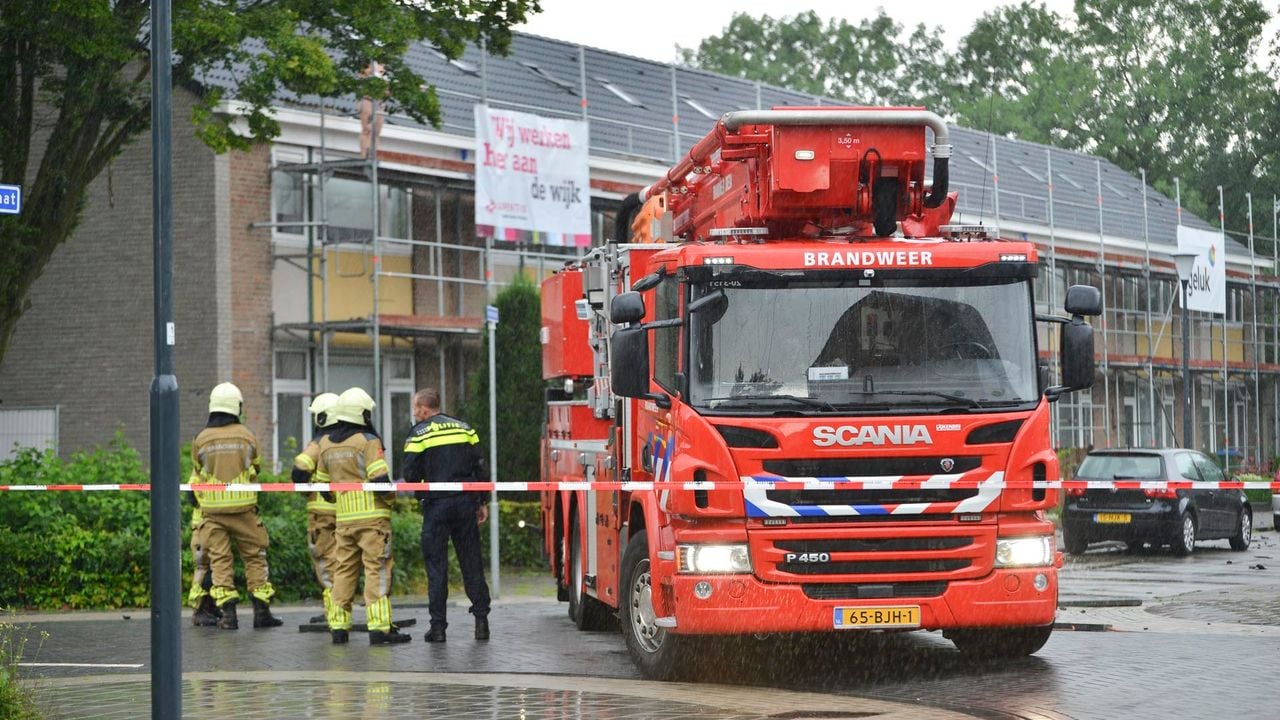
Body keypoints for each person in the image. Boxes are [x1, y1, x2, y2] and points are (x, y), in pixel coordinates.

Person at [317, 387, 411, 645]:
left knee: (343, 571)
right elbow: (380, 478)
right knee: (376, 570)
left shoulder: (325, 444)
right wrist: (391, 500)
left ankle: (338, 627)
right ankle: (379, 629)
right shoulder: (367, 441)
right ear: (362, 413)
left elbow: (323, 488)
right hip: (373, 520)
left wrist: (343, 500)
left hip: (344, 520)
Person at [189, 382, 283, 630]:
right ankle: (261, 613)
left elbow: (198, 472)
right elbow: (257, 466)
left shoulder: (201, 438)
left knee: (220, 561)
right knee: (255, 558)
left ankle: (228, 616)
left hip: (213, 513)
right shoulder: (247, 435)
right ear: (236, 407)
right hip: (244, 510)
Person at [403, 388, 491, 643]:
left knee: (436, 566)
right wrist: (481, 502)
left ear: (423, 408)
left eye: (415, 408)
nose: (414, 413)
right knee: (472, 562)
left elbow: (409, 473)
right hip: (465, 504)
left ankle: (438, 628)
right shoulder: (465, 428)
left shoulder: (418, 433)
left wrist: (421, 490)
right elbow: (480, 467)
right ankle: (481, 622)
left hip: (436, 506)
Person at [291, 392, 340, 624]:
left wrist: (305, 488)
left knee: (326, 560)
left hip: (322, 513)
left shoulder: (321, 442)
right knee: (347, 561)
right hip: (352, 511)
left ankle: (333, 610)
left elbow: (300, 468)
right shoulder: (355, 439)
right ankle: (342, 608)